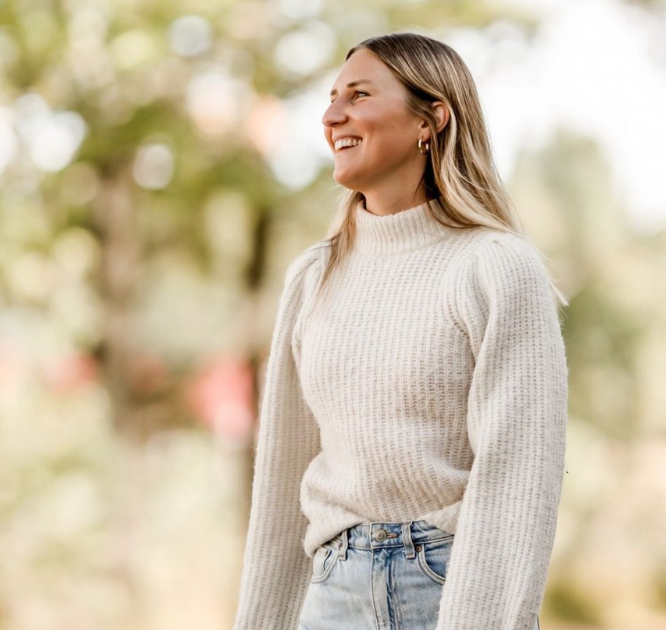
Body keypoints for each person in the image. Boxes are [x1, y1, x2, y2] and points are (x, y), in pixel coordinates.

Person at [232, 31, 568, 630]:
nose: (332, 117)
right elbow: (283, 479)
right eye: (332, 98)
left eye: (358, 95)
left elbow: (516, 479)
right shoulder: (314, 277)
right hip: (331, 590)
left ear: (431, 119)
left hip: (448, 589)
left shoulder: (495, 268)